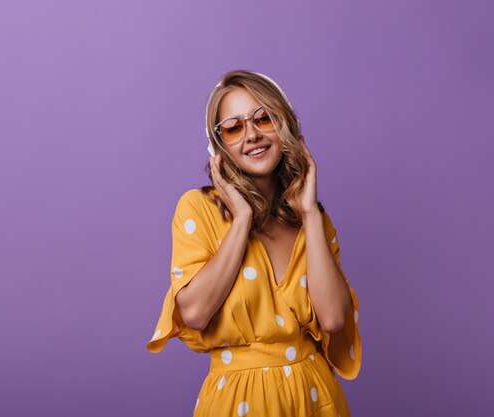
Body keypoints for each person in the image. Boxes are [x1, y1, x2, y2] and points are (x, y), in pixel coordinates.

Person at [146, 69, 361, 417]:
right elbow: (196, 313)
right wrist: (242, 220)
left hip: (314, 397)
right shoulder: (197, 209)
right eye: (234, 126)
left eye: (264, 119)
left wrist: (309, 213)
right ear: (219, 146)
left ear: (285, 126)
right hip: (236, 401)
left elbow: (334, 319)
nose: (252, 135)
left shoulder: (313, 220)